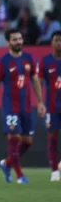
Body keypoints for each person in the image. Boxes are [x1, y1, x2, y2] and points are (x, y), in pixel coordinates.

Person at [0, 28, 46, 184]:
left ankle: (6, 164)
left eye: (20, 39)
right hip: (10, 106)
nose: (18, 42)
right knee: (14, 137)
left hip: (26, 106)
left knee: (28, 141)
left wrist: (40, 102)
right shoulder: (3, 61)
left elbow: (35, 81)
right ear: (8, 42)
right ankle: (19, 175)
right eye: (14, 39)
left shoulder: (28, 58)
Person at [37, 30, 61, 181]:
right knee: (52, 137)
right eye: (57, 40)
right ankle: (54, 171)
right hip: (52, 106)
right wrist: (40, 102)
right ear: (51, 42)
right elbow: (38, 83)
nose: (59, 43)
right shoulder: (45, 61)